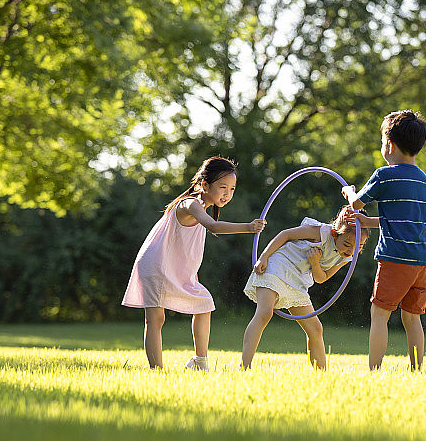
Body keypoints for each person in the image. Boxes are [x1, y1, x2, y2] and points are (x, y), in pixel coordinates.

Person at [122, 156, 266, 370]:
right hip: (156, 265)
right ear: (205, 185)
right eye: (222, 187)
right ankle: (157, 371)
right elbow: (214, 227)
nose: (227, 194)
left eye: (232, 189)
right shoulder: (191, 204)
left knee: (204, 304)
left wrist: (192, 276)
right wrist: (249, 227)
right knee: (155, 319)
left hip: (171, 267)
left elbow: (187, 250)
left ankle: (200, 362)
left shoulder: (202, 209)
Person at [342, 109, 426, 371]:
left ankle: (374, 370)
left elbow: (357, 203)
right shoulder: (424, 180)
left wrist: (349, 192)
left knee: (379, 314)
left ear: (389, 145)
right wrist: (368, 222)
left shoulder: (384, 175)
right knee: (413, 316)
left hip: (396, 259)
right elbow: (403, 221)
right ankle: (416, 369)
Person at [241, 206, 370, 370]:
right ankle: (244, 367)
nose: (351, 251)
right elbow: (286, 234)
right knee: (265, 312)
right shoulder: (321, 232)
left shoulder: (347, 257)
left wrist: (315, 263)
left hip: (298, 280)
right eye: (346, 244)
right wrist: (264, 257)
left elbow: (321, 278)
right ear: (335, 233)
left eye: (359, 246)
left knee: (316, 329)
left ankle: (322, 376)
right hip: (278, 265)